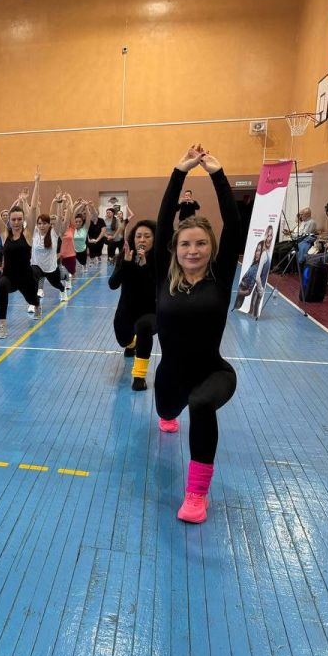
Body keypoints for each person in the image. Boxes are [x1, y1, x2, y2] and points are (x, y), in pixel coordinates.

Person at [154, 144, 246, 524]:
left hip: (213, 372)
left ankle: (196, 495)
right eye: (186, 244)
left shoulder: (219, 278)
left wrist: (217, 175)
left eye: (201, 243)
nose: (193, 250)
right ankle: (168, 415)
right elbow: (163, 223)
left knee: (201, 403)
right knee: (167, 410)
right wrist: (179, 172)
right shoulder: (163, 277)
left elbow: (234, 227)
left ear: (211, 247)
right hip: (171, 375)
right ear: (175, 249)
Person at [0, 173, 41, 339]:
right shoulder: (4, 234)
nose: (16, 222)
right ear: (9, 221)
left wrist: (37, 182)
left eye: (19, 219)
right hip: (9, 277)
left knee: (32, 300)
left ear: (23, 220)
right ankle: (2, 325)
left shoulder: (28, 233)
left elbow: (33, 209)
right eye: (13, 219)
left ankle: (37, 304)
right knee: (1, 285)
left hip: (26, 278)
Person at [108, 220, 158, 390]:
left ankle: (139, 377)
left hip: (151, 311)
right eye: (138, 236)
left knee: (143, 327)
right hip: (127, 309)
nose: (142, 240)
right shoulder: (126, 255)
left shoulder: (160, 259)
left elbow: (154, 290)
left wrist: (145, 267)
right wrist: (126, 264)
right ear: (133, 239)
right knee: (123, 339)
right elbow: (112, 284)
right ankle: (131, 344)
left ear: (154, 239)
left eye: (147, 236)